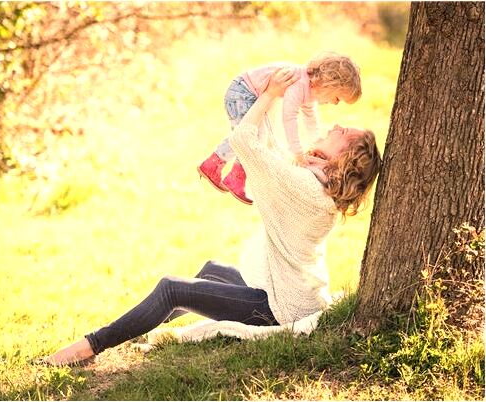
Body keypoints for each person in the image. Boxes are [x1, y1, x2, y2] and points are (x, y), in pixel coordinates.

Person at [42, 68, 381, 367]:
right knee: (210, 271)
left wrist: (269, 95)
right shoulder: (316, 183)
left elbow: (244, 141)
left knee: (172, 288)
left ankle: (89, 346)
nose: (335, 124)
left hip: (281, 307)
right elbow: (274, 154)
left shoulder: (304, 187)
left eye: (344, 131)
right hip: (291, 291)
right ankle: (137, 326)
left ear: (346, 157)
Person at [198, 52, 362, 204]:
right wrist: (297, 151)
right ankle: (232, 176)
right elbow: (289, 117)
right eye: (338, 98)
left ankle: (218, 168)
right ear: (330, 84)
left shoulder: (310, 89)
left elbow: (310, 117)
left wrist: (316, 141)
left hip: (246, 94)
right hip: (242, 93)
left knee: (249, 135)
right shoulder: (299, 84)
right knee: (249, 136)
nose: (334, 103)